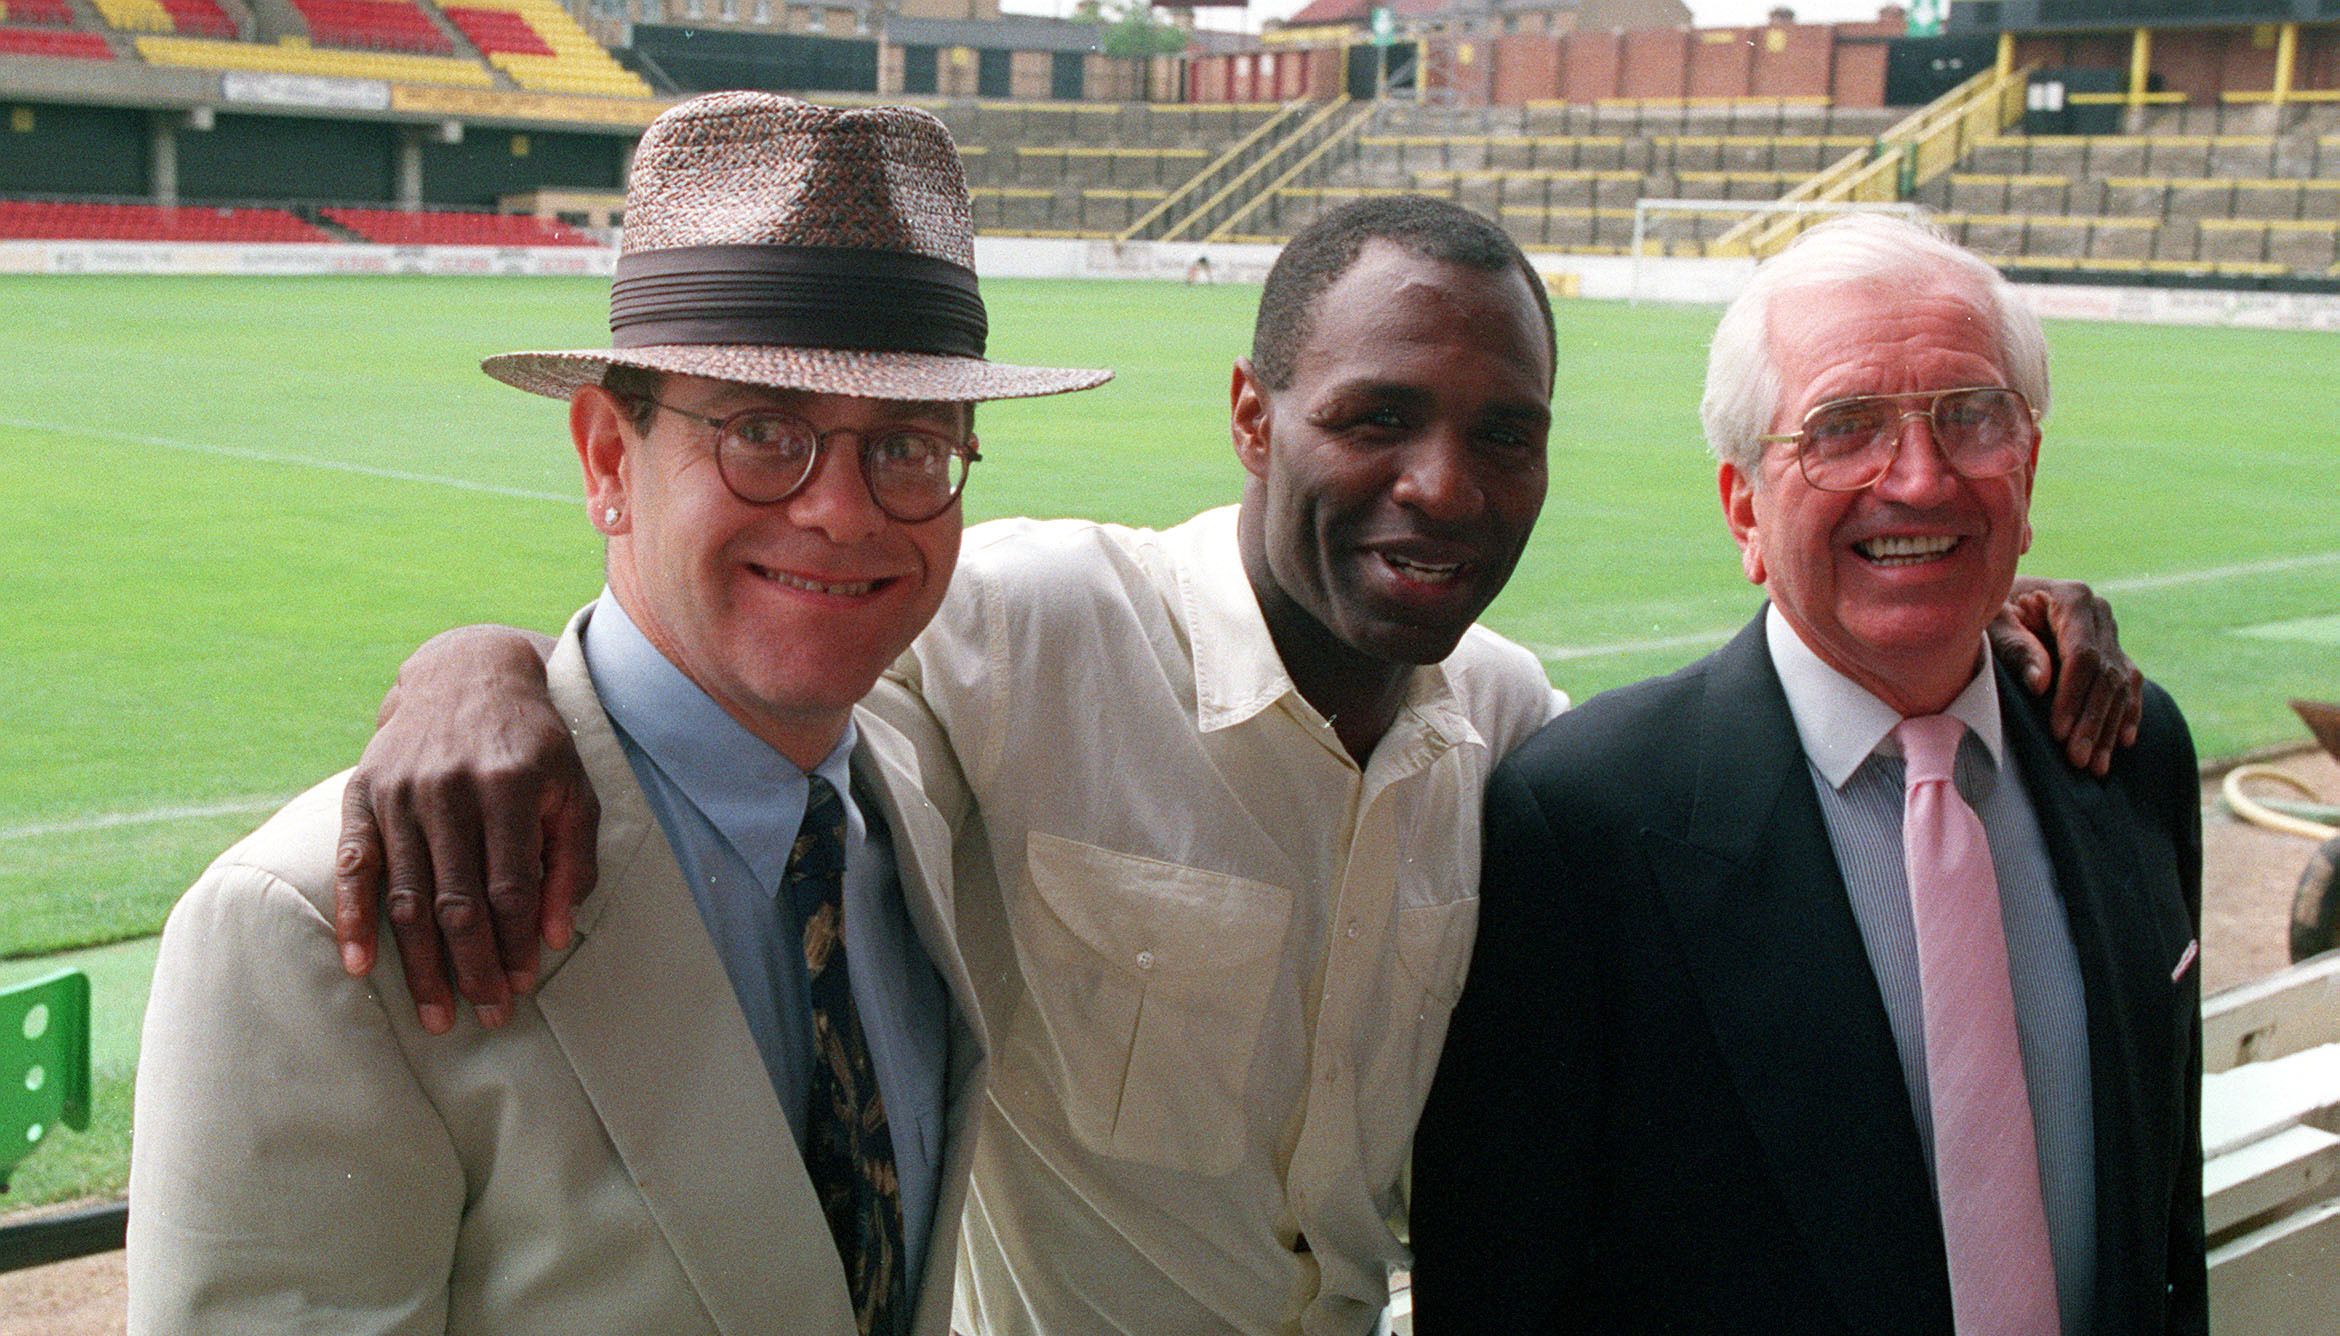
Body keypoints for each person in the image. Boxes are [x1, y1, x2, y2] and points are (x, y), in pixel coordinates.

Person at [329, 198, 2143, 1335]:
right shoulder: (1025, 631)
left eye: (1502, 436)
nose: (1443, 485)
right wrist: (475, 668)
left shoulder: (1514, 732)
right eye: (1376, 418)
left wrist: (1994, 619)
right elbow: (754, 648)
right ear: (1253, 414)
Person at [125, 92, 1108, 1335]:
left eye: (909, 446)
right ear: (605, 458)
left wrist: (479, 654)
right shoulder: (311, 930)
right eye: (764, 434)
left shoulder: (914, 793)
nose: (845, 513)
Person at [1411, 214, 2205, 1335]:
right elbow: (1503, 1283)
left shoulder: (2127, 749)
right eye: (1844, 429)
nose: (1920, 480)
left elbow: (2163, 1216)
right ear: (1744, 507)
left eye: (1970, 417)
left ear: (2026, 465)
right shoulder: (1584, 822)